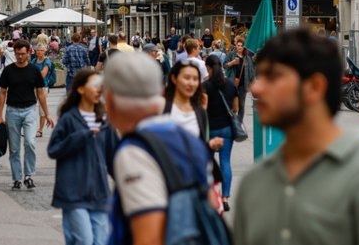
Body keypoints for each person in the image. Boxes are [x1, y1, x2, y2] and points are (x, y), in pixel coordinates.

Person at [233, 29, 359, 245]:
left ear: (314, 87)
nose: (256, 87)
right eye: (259, 75)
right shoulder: (254, 183)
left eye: (272, 76)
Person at [104, 51, 218, 245]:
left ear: (110, 100)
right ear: (161, 91)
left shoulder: (135, 151)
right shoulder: (187, 139)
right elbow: (211, 203)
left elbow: (149, 237)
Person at [48, 69, 119, 245]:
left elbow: (114, 158)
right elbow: (53, 149)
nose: (99, 90)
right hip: (73, 192)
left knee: (101, 242)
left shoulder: (105, 121)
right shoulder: (69, 119)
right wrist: (80, 137)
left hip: (99, 192)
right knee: (84, 241)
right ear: (80, 89)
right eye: (94, 86)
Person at [0, 39, 54, 190]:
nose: (20, 57)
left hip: (30, 110)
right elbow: (2, 93)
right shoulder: (8, 70)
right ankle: (17, 178)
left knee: (30, 142)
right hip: (12, 111)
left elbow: (41, 93)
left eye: (22, 54)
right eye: (17, 54)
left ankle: (28, 175)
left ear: (29, 53)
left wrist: (47, 114)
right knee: (14, 148)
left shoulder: (34, 70)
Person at [203, 54, 238, 211]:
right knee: (225, 162)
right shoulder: (230, 85)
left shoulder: (206, 86)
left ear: (208, 68)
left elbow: (202, 109)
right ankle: (225, 198)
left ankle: (210, 196)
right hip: (226, 129)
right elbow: (236, 108)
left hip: (211, 128)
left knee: (209, 163)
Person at [224, 36, 253, 123]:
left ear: (244, 47)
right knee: (232, 105)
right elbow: (224, 65)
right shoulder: (231, 54)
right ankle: (232, 122)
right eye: (238, 45)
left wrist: (251, 84)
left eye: (241, 45)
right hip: (232, 84)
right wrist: (232, 62)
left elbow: (251, 71)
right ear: (236, 46)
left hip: (243, 85)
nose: (239, 47)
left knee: (241, 105)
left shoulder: (247, 58)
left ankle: (239, 124)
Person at [31, 41, 53, 138]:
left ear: (44, 51)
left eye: (41, 50)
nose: (39, 52)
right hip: (33, 87)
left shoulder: (46, 61)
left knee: (42, 109)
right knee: (30, 108)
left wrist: (33, 75)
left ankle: (40, 130)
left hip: (43, 87)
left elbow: (43, 74)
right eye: (38, 50)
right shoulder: (34, 61)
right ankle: (30, 128)